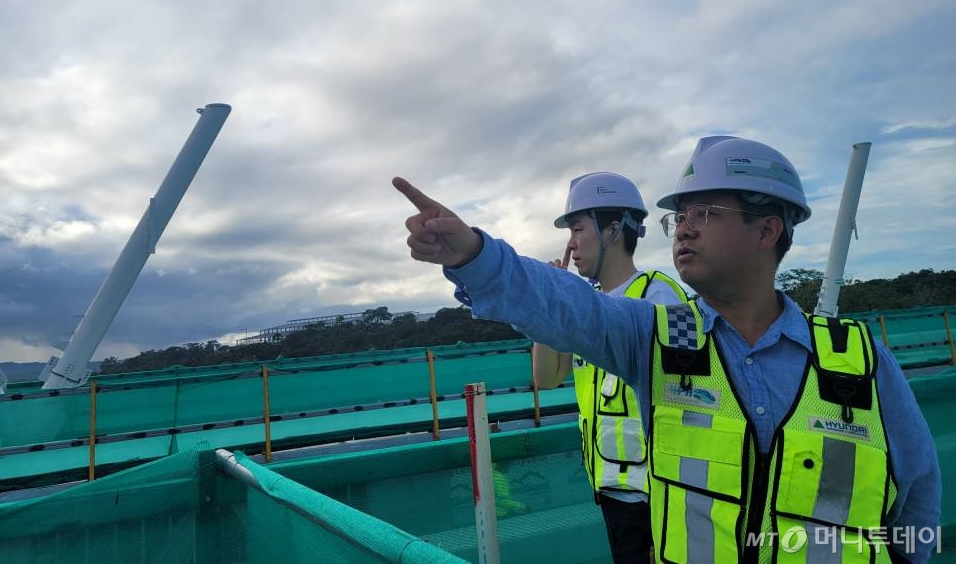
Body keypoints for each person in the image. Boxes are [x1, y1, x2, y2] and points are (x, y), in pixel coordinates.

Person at [394, 136, 941, 564]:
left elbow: (917, 494)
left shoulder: (855, 359)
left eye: (705, 214)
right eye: (680, 217)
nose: (684, 231)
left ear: (767, 230)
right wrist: (473, 256)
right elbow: (565, 306)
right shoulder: (666, 338)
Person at [533, 172, 686, 563]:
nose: (571, 243)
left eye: (578, 228)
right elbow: (547, 378)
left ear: (613, 230)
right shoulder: (584, 306)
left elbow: (687, 401)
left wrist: (671, 517)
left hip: (655, 496)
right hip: (612, 492)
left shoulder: (658, 295)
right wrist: (550, 305)